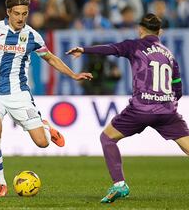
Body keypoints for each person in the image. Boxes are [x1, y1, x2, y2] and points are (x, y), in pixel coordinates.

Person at [0, 0, 93, 197]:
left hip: (19, 94)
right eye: (17, 13)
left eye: (25, 13)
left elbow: (51, 58)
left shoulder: (32, 36)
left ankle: (45, 127)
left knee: (42, 143)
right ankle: (1, 183)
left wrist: (73, 75)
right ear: (8, 12)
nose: (21, 18)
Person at [67, 13, 189, 203]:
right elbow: (178, 88)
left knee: (107, 138)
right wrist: (167, 104)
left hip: (141, 109)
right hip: (167, 110)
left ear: (140, 29)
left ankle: (119, 185)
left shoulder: (135, 45)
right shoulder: (169, 55)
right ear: (160, 32)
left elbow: (110, 49)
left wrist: (83, 49)